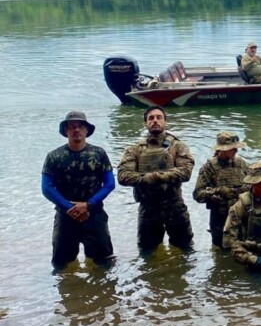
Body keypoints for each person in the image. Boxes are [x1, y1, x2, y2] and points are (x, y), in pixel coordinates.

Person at [41, 111, 115, 269]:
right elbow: (46, 188)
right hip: (65, 216)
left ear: (87, 130)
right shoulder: (54, 156)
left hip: (94, 214)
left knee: (105, 263)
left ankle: (103, 293)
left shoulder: (99, 154)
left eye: (80, 126)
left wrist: (88, 205)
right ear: (65, 130)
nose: (76, 130)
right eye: (72, 126)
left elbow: (109, 184)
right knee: (61, 265)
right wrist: (70, 208)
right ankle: (69, 292)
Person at [117, 106, 195, 252]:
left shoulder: (178, 146)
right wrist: (147, 178)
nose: (155, 121)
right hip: (148, 208)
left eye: (159, 117)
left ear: (165, 122)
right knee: (147, 252)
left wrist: (159, 176)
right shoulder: (135, 149)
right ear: (145, 123)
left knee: (186, 250)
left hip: (175, 206)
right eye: (151, 118)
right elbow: (123, 175)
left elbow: (186, 172)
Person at [193, 131, 251, 248]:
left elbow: (253, 184)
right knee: (221, 250)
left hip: (241, 218)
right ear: (222, 149)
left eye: (236, 147)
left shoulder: (241, 164)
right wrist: (218, 191)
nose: (236, 151)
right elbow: (198, 195)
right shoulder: (209, 167)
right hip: (220, 219)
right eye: (232, 148)